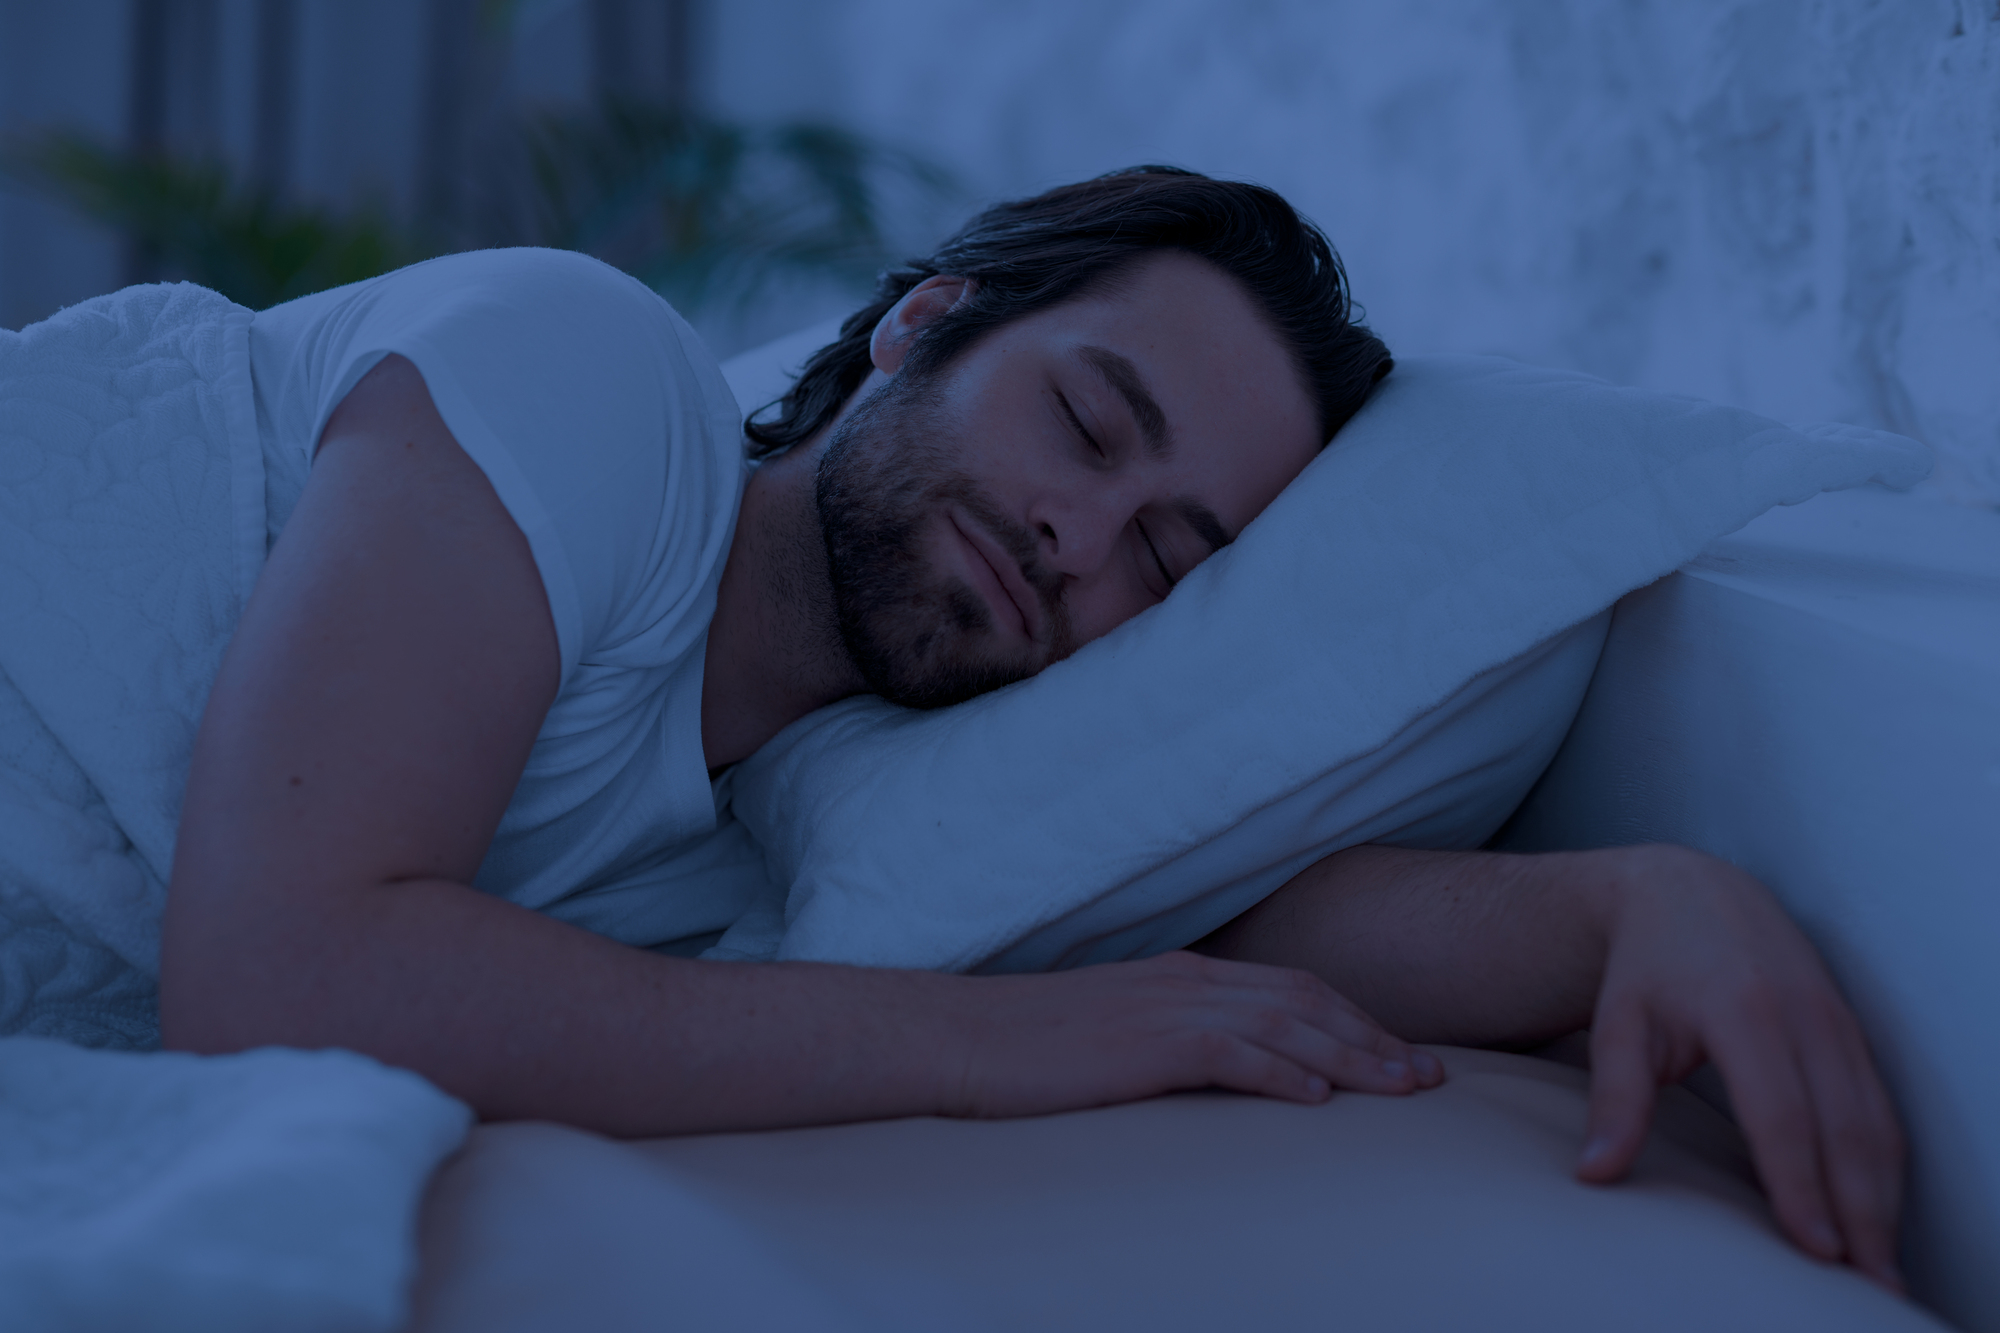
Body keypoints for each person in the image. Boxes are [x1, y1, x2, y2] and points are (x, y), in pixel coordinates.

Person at [4, 167, 1897, 1289]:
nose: (1083, 542)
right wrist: (989, 1047)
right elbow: (276, 971)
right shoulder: (593, 384)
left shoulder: (810, 809)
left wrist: (1637, 902)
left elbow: (1229, 927)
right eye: (1085, 424)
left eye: (1171, 555)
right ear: (922, 324)